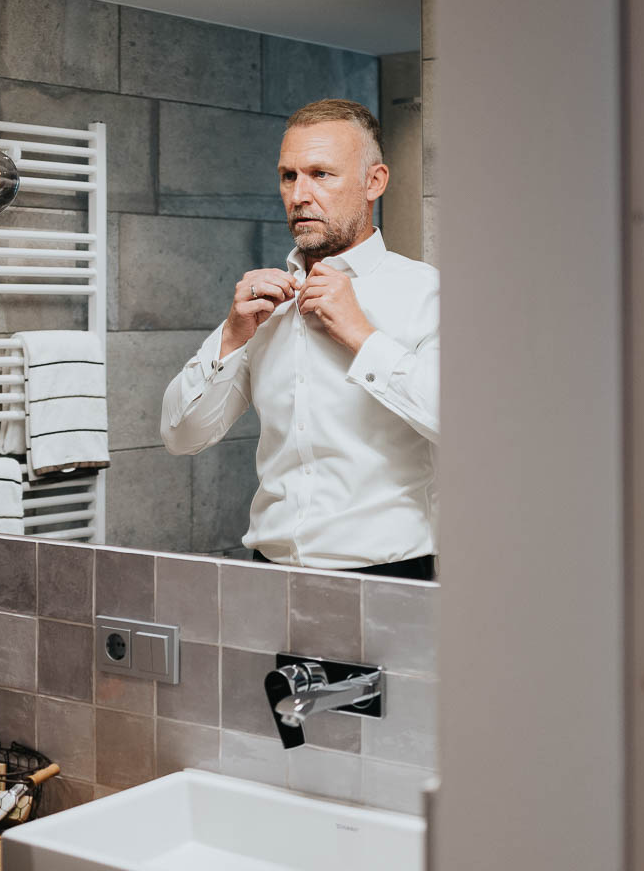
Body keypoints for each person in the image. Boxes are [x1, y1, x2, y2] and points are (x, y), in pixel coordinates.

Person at [160, 99, 439, 579]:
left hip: (389, 576)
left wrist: (360, 334)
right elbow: (181, 436)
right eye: (289, 176)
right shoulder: (263, 306)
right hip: (270, 576)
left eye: (321, 174)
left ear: (375, 181)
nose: (299, 195)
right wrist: (232, 336)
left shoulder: (426, 292)